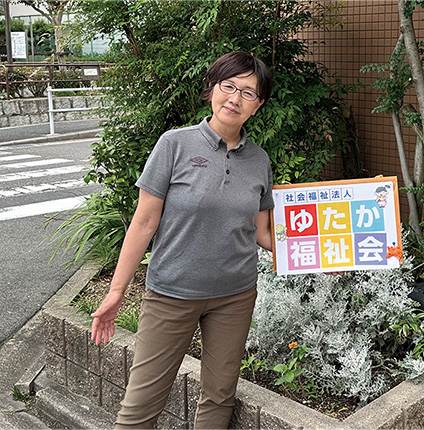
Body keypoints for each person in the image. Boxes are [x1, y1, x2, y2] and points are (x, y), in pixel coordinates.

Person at [90, 51, 274, 429]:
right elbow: (143, 223)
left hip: (235, 295)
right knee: (141, 404)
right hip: (172, 292)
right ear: (212, 89)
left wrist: (323, 256)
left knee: (219, 398)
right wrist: (116, 291)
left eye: (248, 93)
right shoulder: (174, 144)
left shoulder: (259, 161)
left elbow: (264, 234)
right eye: (229, 86)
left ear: (258, 106)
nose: (235, 98)